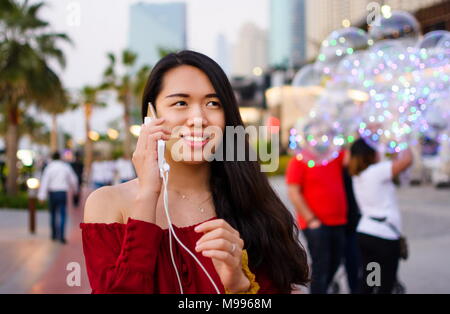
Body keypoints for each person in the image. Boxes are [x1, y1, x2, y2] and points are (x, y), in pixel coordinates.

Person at [80, 50, 309, 294]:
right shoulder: (108, 204)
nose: (198, 118)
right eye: (180, 103)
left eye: (213, 103)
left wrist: (239, 284)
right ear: (151, 115)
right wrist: (148, 194)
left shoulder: (250, 200)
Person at [348, 138, 413, 294]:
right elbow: (407, 161)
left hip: (367, 233)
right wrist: (406, 140)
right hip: (384, 237)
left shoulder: (358, 175)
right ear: (369, 154)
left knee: (371, 280)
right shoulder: (376, 171)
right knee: (385, 284)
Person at [286, 151, 348, 294]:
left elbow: (351, 160)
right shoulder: (300, 160)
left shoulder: (333, 155)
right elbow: (293, 192)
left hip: (338, 221)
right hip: (316, 225)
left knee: (336, 261)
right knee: (321, 266)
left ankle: (325, 289)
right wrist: (311, 219)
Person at [38, 151, 79, 244]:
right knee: (63, 214)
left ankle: (53, 235)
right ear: (60, 157)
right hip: (62, 193)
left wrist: (42, 196)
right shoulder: (65, 167)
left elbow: (45, 182)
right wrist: (76, 190)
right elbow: (73, 179)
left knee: (53, 214)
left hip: (52, 193)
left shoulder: (49, 168)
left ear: (52, 158)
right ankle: (61, 236)